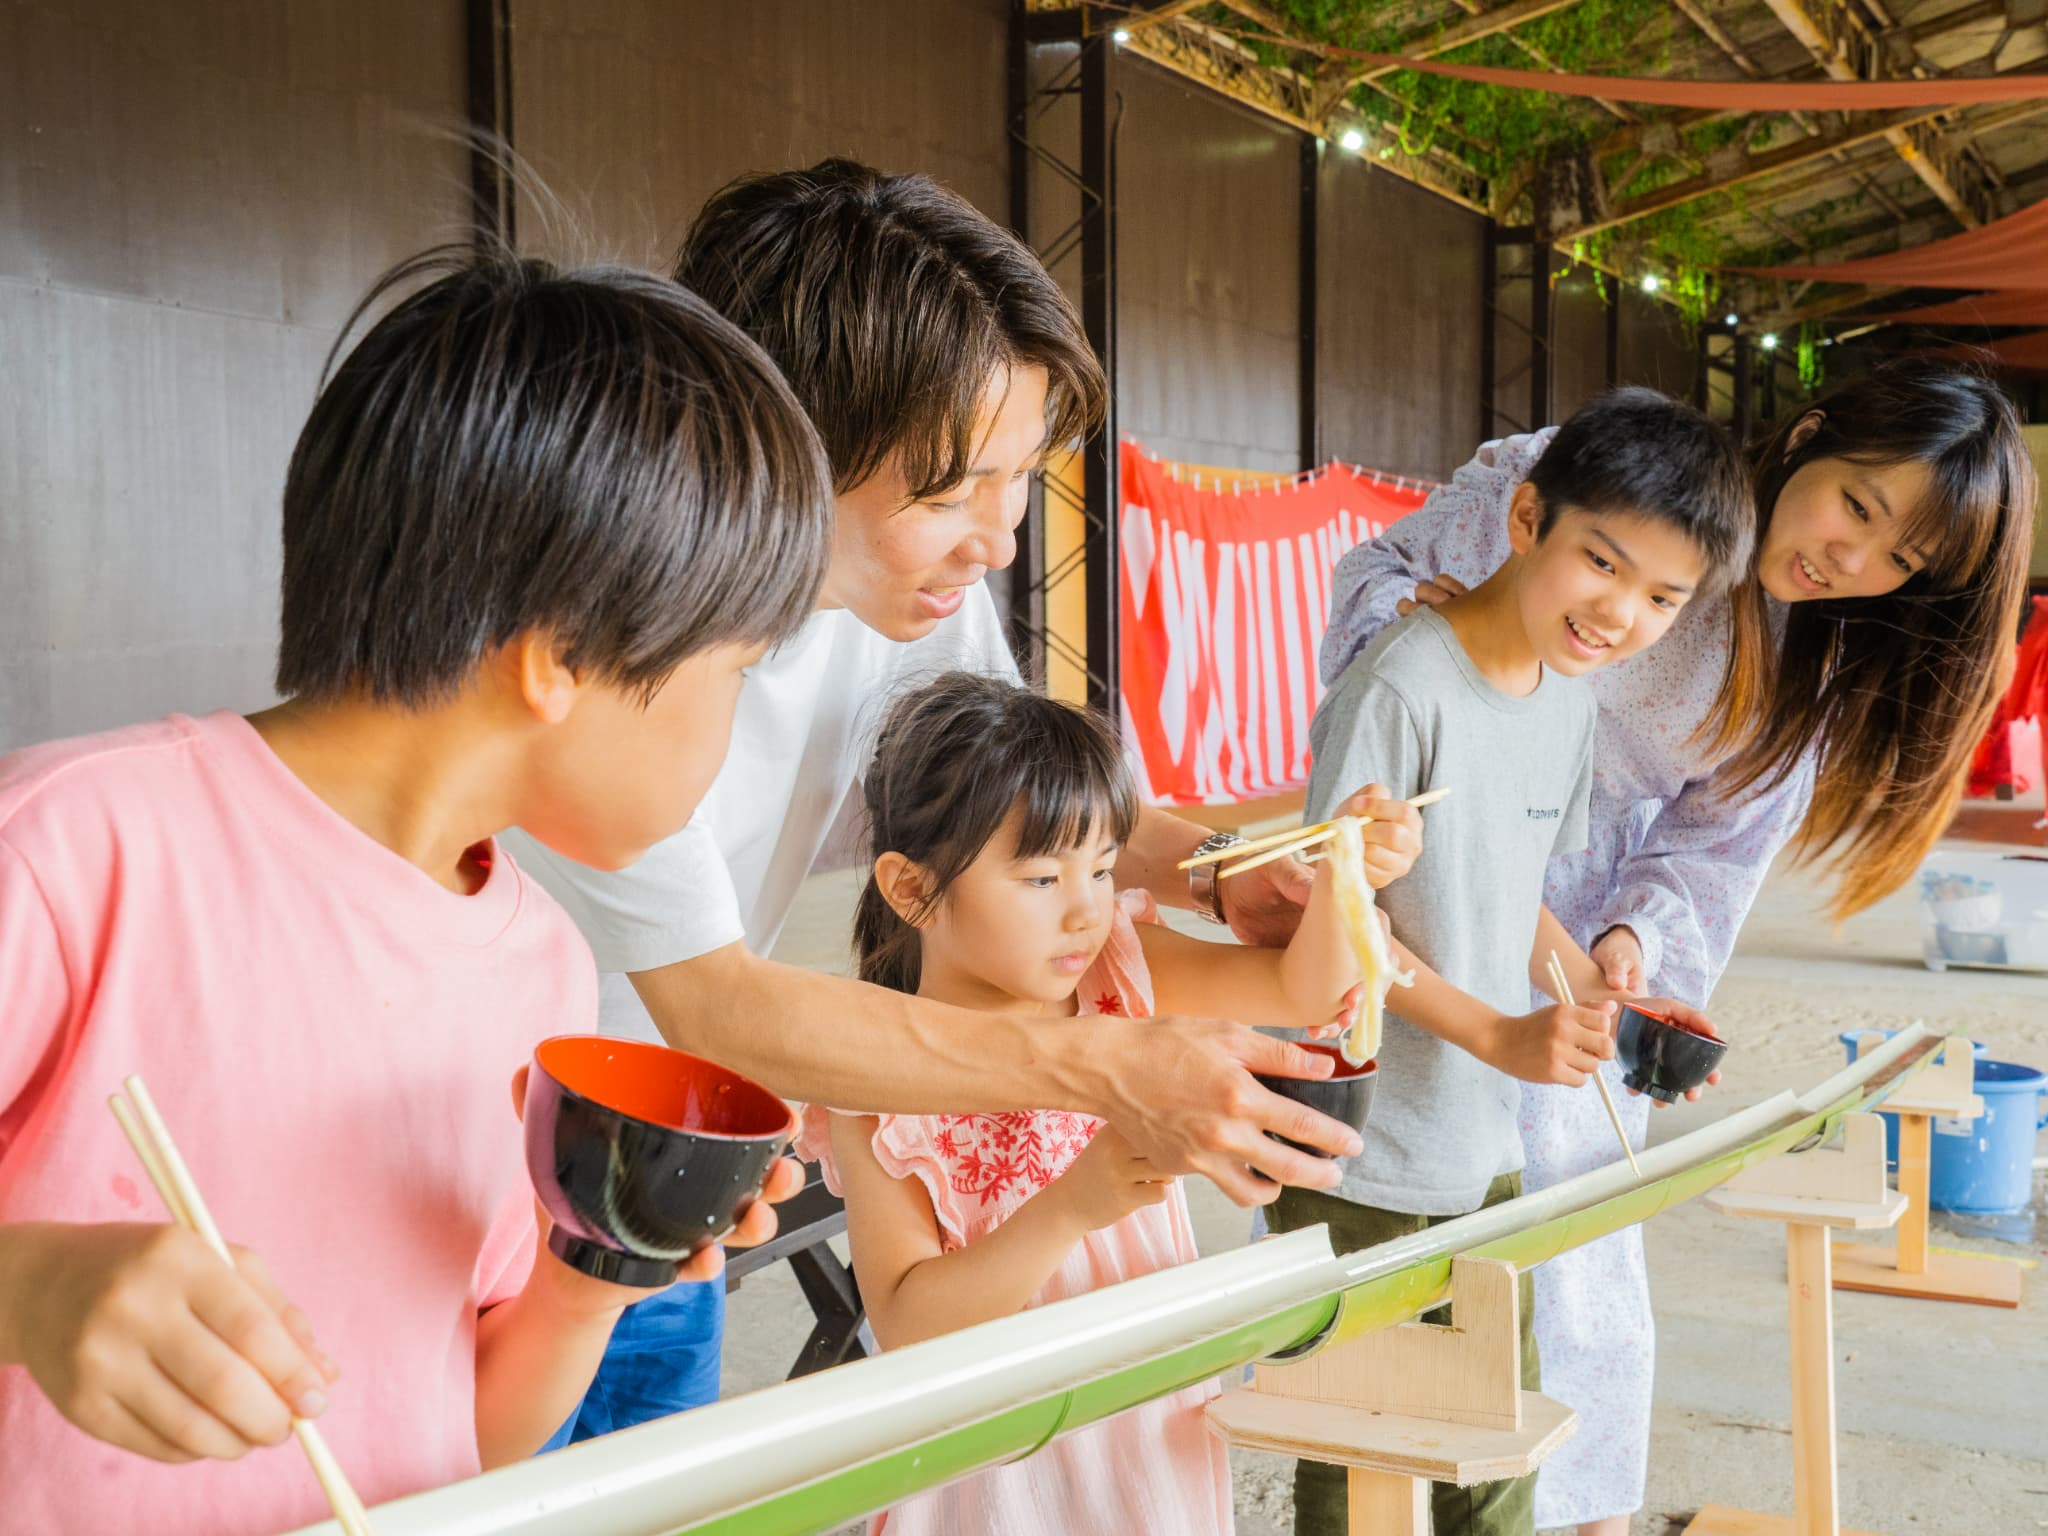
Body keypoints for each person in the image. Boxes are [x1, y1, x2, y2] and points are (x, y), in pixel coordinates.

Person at [505, 159, 1423, 1441]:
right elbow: (714, 995)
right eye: (950, 491)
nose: (996, 540)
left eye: (1016, 480)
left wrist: (1215, 867)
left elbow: (1032, 800)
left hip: (669, 1160)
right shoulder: (618, 625)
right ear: (780, 435)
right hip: (489, 1170)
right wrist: (1101, 1065)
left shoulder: (908, 590)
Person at [0, 244, 832, 1535]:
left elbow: (460, 1433)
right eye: (737, 670)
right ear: (557, 660)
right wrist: (31, 1290)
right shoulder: (72, 852)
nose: (732, 728)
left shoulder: (539, 967)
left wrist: (594, 1274)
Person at [1318, 357, 2036, 1536]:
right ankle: (1381, 1487)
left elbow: (1706, 852)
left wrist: (1626, 944)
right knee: (1404, 1214)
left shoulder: (1804, 662)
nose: (1851, 562)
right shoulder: (1613, 490)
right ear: (1808, 433)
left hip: (1571, 956)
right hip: (1431, 868)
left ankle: (1565, 1515)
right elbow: (1386, 585)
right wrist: (1401, 641)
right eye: (1855, 506)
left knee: (1572, 1267)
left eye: (1898, 560)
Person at [1278, 388, 1754, 1536]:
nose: (1619, 614)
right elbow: (1336, 921)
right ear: (1525, 516)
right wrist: (1494, 1031)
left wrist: (1592, 989)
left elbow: (1516, 894)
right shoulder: (1398, 684)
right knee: (1363, 1479)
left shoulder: (1564, 705)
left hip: (1484, 1152)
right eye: (1601, 562)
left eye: (1660, 599)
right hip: (1363, 1157)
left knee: (1490, 1474)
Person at [800, 671, 1404, 1536]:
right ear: (911, 888)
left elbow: (1301, 987)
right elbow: (908, 1327)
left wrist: (1350, 869)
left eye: (1103, 868)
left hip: (1148, 1433)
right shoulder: (876, 1079)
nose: (1087, 911)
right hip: (994, 1480)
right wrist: (1074, 1204)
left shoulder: (1119, 971)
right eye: (1043, 880)